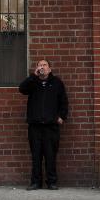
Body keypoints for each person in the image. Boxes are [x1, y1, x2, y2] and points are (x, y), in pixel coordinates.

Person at [19, 59, 68, 191]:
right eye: (39, 65)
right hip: (35, 125)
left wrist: (61, 117)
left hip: (51, 126)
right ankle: (35, 182)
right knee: (36, 155)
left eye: (44, 65)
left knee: (50, 155)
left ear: (49, 69)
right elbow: (22, 89)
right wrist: (33, 76)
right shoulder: (33, 82)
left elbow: (64, 101)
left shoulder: (57, 83)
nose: (42, 67)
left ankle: (51, 182)